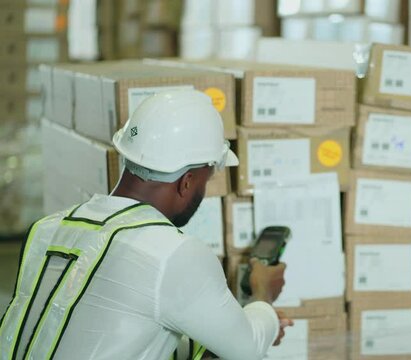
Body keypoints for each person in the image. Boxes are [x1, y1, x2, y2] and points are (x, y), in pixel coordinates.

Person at [0, 89, 291, 360]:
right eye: (206, 180)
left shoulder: (46, 229)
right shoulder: (172, 254)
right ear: (187, 182)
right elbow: (247, 349)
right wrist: (263, 293)